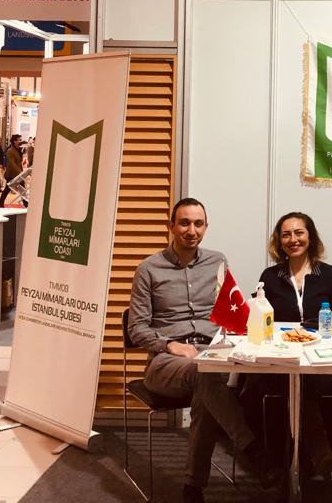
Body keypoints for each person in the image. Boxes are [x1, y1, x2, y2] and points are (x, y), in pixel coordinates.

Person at [128, 198, 280, 503]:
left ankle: (193, 487)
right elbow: (136, 328)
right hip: (166, 362)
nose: (191, 230)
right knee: (204, 372)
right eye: (184, 223)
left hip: (212, 354)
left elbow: (232, 309)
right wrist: (170, 345)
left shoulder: (217, 261)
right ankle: (253, 450)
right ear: (171, 226)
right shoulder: (149, 269)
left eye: (198, 224)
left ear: (206, 227)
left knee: (206, 389)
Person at [254, 211, 332, 475]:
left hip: (321, 358)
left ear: (310, 237)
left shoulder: (329, 274)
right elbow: (256, 314)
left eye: (299, 233)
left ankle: (302, 455)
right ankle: (317, 450)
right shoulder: (270, 276)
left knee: (304, 381)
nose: (293, 239)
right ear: (279, 241)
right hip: (281, 358)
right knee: (292, 378)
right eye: (286, 235)